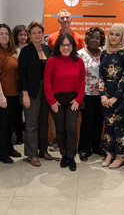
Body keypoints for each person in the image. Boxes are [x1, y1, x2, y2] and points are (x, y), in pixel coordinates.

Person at [44, 33, 85, 171]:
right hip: (57, 101)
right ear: (58, 46)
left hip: (73, 100)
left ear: (73, 46)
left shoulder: (78, 61)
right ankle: (64, 155)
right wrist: (52, 101)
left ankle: (72, 156)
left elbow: (82, 81)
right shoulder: (52, 60)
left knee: (72, 128)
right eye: (63, 45)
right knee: (60, 129)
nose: (66, 47)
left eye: (69, 45)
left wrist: (78, 99)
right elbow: (47, 82)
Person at [18, 21, 53, 167]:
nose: (37, 35)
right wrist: (25, 95)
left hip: (46, 90)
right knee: (31, 124)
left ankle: (43, 150)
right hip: (31, 92)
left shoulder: (48, 49)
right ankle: (32, 154)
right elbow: (22, 75)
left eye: (39, 32)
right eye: (34, 33)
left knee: (44, 122)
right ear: (29, 35)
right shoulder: (26, 51)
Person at [100, 24, 124, 169]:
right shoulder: (104, 53)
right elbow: (101, 76)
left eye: (117, 35)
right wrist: (103, 96)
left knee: (119, 126)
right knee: (108, 126)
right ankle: (109, 153)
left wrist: (114, 97)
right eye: (111, 34)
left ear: (122, 37)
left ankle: (119, 154)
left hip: (120, 97)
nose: (113, 37)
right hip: (106, 97)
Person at [0, 23, 21, 164]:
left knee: (10, 124)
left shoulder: (11, 52)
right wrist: (1, 96)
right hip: (1, 95)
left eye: (6, 34)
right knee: (2, 124)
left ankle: (9, 148)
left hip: (14, 94)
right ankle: (1, 153)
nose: (4, 36)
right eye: (1, 33)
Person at [77, 27, 106, 161]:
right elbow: (76, 77)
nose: (95, 40)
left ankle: (96, 146)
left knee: (99, 122)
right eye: (92, 37)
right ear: (87, 38)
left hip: (102, 95)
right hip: (86, 95)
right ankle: (84, 148)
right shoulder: (80, 55)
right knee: (87, 122)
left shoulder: (105, 54)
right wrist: (79, 96)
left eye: (98, 37)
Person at [12, 24, 28, 145]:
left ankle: (28, 134)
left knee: (28, 112)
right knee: (17, 113)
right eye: (20, 35)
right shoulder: (12, 49)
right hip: (15, 84)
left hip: (28, 84)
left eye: (25, 34)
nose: (23, 37)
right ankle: (18, 135)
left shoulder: (31, 48)